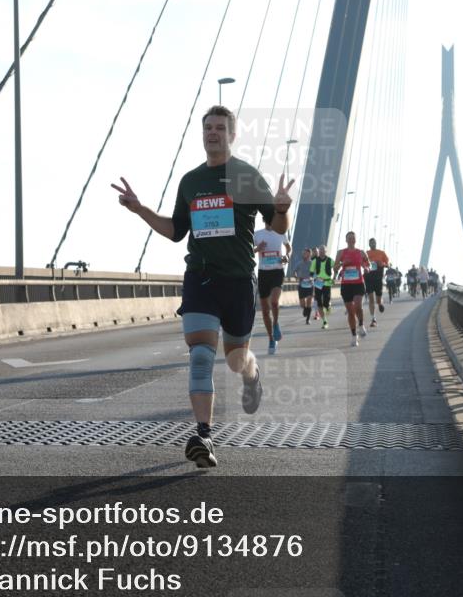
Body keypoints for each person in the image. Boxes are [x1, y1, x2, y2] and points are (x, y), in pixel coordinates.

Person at [112, 105, 293, 468]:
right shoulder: (190, 181)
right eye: (208, 128)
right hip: (200, 278)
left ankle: (252, 373)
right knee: (200, 357)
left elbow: (277, 227)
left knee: (236, 360)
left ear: (232, 135)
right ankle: (204, 436)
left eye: (220, 128)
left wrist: (283, 208)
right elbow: (176, 232)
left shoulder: (245, 175)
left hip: (239, 281)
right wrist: (141, 209)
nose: (213, 133)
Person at [254, 224, 290, 354]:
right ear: (264, 219)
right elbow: (248, 250)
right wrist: (258, 248)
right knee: (265, 311)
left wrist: (287, 256)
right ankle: (271, 339)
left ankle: (275, 324)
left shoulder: (280, 232)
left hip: (277, 272)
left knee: (274, 302)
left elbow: (288, 247)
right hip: (263, 274)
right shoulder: (257, 234)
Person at [334, 231, 369, 346]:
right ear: (346, 240)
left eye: (353, 238)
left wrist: (366, 268)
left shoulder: (361, 252)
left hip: (358, 283)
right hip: (346, 284)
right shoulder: (341, 253)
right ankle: (354, 336)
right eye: (349, 238)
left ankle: (361, 325)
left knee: (358, 305)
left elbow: (366, 263)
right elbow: (334, 268)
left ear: (355, 240)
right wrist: (343, 263)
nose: (351, 240)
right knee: (350, 311)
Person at [364, 238, 389, 327]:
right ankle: (373, 319)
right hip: (368, 278)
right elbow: (362, 264)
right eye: (371, 243)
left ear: (376, 243)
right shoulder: (366, 254)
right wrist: (366, 266)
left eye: (374, 242)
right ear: (369, 244)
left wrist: (382, 264)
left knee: (378, 300)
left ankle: (380, 303)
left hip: (378, 278)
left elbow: (387, 264)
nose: (373, 244)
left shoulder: (381, 253)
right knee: (371, 299)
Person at [310, 245, 334, 329]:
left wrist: (334, 277)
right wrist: (311, 278)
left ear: (326, 251)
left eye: (323, 250)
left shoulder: (330, 260)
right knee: (319, 302)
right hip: (318, 283)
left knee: (326, 302)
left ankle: (328, 306)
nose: (321, 252)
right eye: (320, 251)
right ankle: (324, 321)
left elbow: (336, 267)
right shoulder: (315, 261)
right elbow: (311, 271)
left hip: (327, 282)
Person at [292, 247, 315, 324]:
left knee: (309, 301)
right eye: (303, 253)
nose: (304, 255)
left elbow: (317, 273)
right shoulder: (299, 263)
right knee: (302, 304)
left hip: (310, 285)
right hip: (301, 285)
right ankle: (305, 309)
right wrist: (296, 276)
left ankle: (308, 319)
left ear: (309, 255)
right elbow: (294, 271)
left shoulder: (312, 264)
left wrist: (312, 278)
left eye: (305, 253)